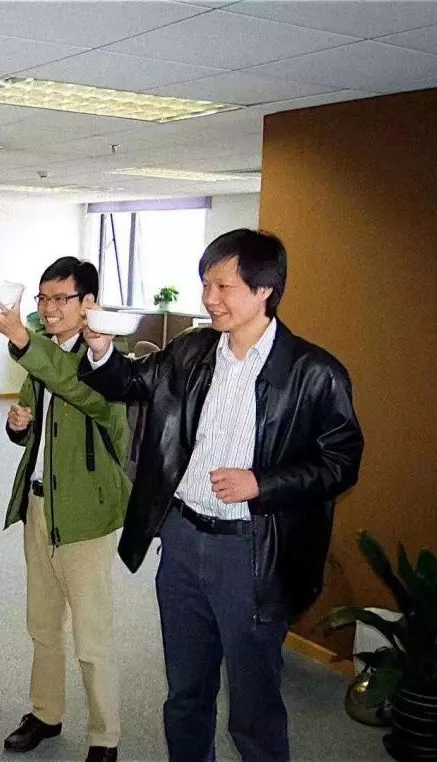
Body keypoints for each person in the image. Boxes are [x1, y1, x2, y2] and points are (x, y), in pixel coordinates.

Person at [79, 229, 364, 761]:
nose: (209, 298)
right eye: (205, 284)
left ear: (265, 290)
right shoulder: (193, 350)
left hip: (251, 552)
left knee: (253, 709)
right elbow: (132, 383)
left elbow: (341, 463)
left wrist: (263, 483)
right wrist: (100, 350)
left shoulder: (313, 372)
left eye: (223, 286)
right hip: (183, 542)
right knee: (186, 694)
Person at [0, 258, 130, 762]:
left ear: (89, 304)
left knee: (92, 636)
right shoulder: (43, 356)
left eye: (60, 299)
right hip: (40, 505)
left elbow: (79, 391)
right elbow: (31, 424)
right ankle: (46, 712)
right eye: (43, 299)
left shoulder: (107, 364)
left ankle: (105, 737)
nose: (48, 308)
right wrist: (18, 425)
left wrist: (22, 338)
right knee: (42, 624)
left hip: (85, 517)